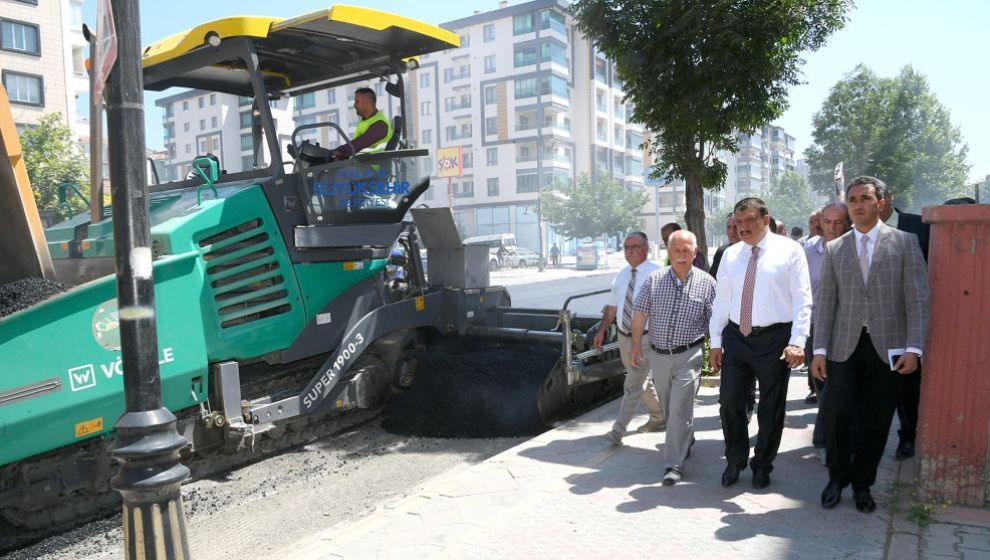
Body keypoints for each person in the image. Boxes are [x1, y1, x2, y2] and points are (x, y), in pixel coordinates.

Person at [813, 176, 928, 513]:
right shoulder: (836, 248)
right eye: (853, 199)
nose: (858, 204)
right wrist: (818, 350)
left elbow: (917, 300)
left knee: (878, 421)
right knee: (837, 416)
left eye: (865, 198)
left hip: (888, 348)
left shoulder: (905, 243)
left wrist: (914, 348)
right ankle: (837, 478)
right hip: (843, 346)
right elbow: (827, 304)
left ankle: (863, 484)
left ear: (880, 202)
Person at [709, 197, 812, 489]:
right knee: (729, 401)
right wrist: (715, 341)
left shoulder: (790, 251)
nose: (742, 228)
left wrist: (797, 341)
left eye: (749, 221)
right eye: (738, 222)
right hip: (737, 338)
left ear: (765, 220)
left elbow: (803, 299)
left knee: (771, 407)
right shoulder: (731, 255)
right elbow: (721, 300)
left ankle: (762, 463)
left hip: (775, 340)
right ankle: (735, 458)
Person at [628, 230, 715, 486]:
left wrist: (719, 352)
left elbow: (714, 323)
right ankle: (685, 437)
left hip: (690, 354)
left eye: (687, 250)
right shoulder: (653, 280)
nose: (681, 255)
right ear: (669, 252)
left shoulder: (708, 283)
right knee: (670, 408)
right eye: (676, 250)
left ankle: (673, 465)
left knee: (678, 409)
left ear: (695, 252)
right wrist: (635, 346)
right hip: (658, 356)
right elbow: (640, 314)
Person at [593, 232, 666, 444]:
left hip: (646, 338)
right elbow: (612, 307)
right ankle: (659, 415)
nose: (629, 251)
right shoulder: (622, 275)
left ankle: (618, 431)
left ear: (646, 248)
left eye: (634, 246)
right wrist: (602, 330)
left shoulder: (658, 274)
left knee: (632, 383)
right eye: (626, 247)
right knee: (640, 380)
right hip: (624, 337)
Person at [878, 187, 930, 462]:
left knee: (905, 385)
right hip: (867, 323)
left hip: (905, 322)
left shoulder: (920, 226)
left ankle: (907, 437)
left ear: (888, 199)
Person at [804, 202, 852, 464]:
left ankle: (830, 441)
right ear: (820, 223)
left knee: (841, 389)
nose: (832, 228)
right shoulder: (807, 251)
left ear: (847, 223)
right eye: (827, 221)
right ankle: (825, 440)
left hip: (848, 330)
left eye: (838, 222)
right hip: (815, 329)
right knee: (825, 388)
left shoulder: (857, 249)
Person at [332, 87, 393, 159]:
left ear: (368, 102)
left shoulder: (380, 124)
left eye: (357, 102)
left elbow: (359, 144)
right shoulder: (366, 122)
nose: (354, 105)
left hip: (374, 167)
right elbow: (355, 148)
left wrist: (336, 152)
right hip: (363, 164)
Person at [709, 214, 739, 279]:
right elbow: (713, 279)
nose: (732, 231)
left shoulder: (753, 252)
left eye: (735, 227)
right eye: (729, 227)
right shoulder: (722, 252)